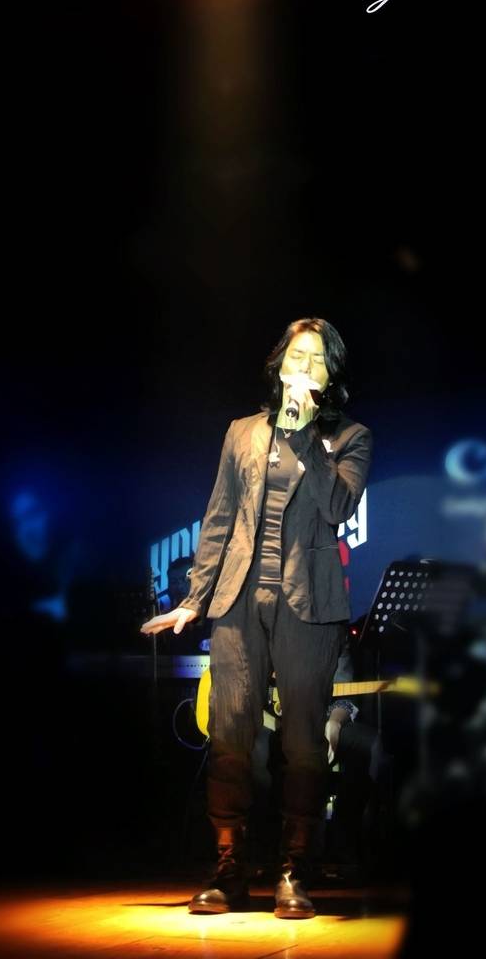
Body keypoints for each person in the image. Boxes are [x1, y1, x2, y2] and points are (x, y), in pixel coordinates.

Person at [140, 317, 372, 917]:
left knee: (302, 742)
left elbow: (337, 507)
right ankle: (229, 870)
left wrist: (305, 436)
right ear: (279, 365)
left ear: (329, 376)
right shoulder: (241, 433)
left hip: (308, 606)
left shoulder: (350, 438)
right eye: (296, 356)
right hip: (238, 602)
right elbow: (219, 517)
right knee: (230, 737)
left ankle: (295, 871)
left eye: (316, 360)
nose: (303, 367)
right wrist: (194, 599)